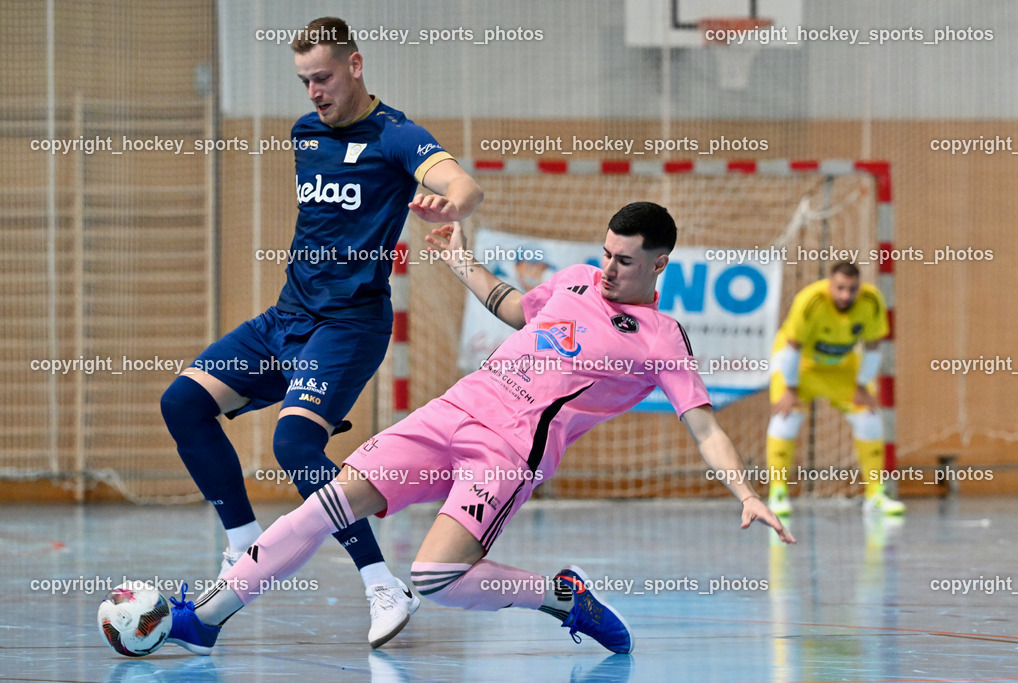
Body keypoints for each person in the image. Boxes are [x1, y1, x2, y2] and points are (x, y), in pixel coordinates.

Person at [162, 202, 795, 657]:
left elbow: (705, 427)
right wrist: (459, 257)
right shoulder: (575, 281)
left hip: (509, 453)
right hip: (451, 412)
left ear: (660, 265)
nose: (606, 269)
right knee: (326, 505)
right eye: (605, 253)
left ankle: (561, 597)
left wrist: (744, 492)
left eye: (624, 261)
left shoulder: (662, 339)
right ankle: (209, 619)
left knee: (436, 579)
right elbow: (515, 308)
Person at [158, 16, 483, 648]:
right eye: (305, 80)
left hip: (350, 325)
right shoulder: (305, 132)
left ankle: (382, 584)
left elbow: (461, 182)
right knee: (183, 402)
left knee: (295, 447)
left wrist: (453, 203)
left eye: (324, 77)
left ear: (356, 66)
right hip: (287, 317)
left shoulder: (396, 136)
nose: (314, 91)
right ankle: (245, 547)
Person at [764, 262, 905, 516]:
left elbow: (872, 347)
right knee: (785, 417)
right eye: (840, 288)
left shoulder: (871, 301)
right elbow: (793, 346)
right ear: (830, 283)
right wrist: (791, 389)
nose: (845, 295)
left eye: (852, 289)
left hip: (841, 366)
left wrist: (862, 386)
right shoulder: (810, 301)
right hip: (799, 364)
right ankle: (778, 493)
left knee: (869, 416)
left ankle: (876, 494)